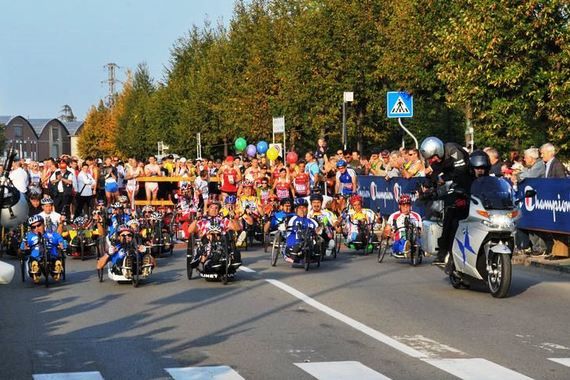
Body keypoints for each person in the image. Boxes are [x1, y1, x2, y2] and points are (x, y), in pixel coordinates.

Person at [419, 136, 471, 266]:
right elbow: (435, 175)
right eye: (430, 159)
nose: (433, 160)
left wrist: (444, 177)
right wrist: (429, 187)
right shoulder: (435, 161)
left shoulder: (453, 151)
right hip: (456, 191)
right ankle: (443, 253)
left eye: (433, 157)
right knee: (449, 218)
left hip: (469, 186)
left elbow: (461, 172)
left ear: (439, 151)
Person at [187, 201, 241, 268]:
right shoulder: (203, 220)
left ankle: (231, 258)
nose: (213, 209)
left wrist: (233, 217)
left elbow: (237, 228)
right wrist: (196, 219)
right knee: (208, 238)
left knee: (230, 236)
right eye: (211, 207)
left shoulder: (223, 220)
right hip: (207, 242)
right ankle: (203, 257)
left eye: (216, 208)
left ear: (218, 210)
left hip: (222, 242)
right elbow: (190, 230)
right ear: (208, 209)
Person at [20, 215, 66, 283]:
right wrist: (24, 246)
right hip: (36, 256)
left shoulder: (51, 234)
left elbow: (61, 240)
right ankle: (35, 268)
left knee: (56, 275)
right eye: (33, 227)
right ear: (31, 228)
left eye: (38, 225)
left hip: (52, 255)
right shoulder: (29, 236)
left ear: (43, 224)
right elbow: (23, 245)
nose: (36, 228)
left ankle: (57, 266)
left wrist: (62, 244)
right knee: (32, 261)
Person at [284, 198, 319, 263]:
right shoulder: (292, 218)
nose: (302, 210)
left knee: (317, 242)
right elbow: (287, 227)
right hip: (294, 237)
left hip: (308, 238)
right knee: (298, 242)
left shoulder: (311, 220)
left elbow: (317, 228)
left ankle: (315, 256)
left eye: (304, 208)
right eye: (300, 208)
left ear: (307, 209)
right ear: (296, 209)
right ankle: (292, 256)